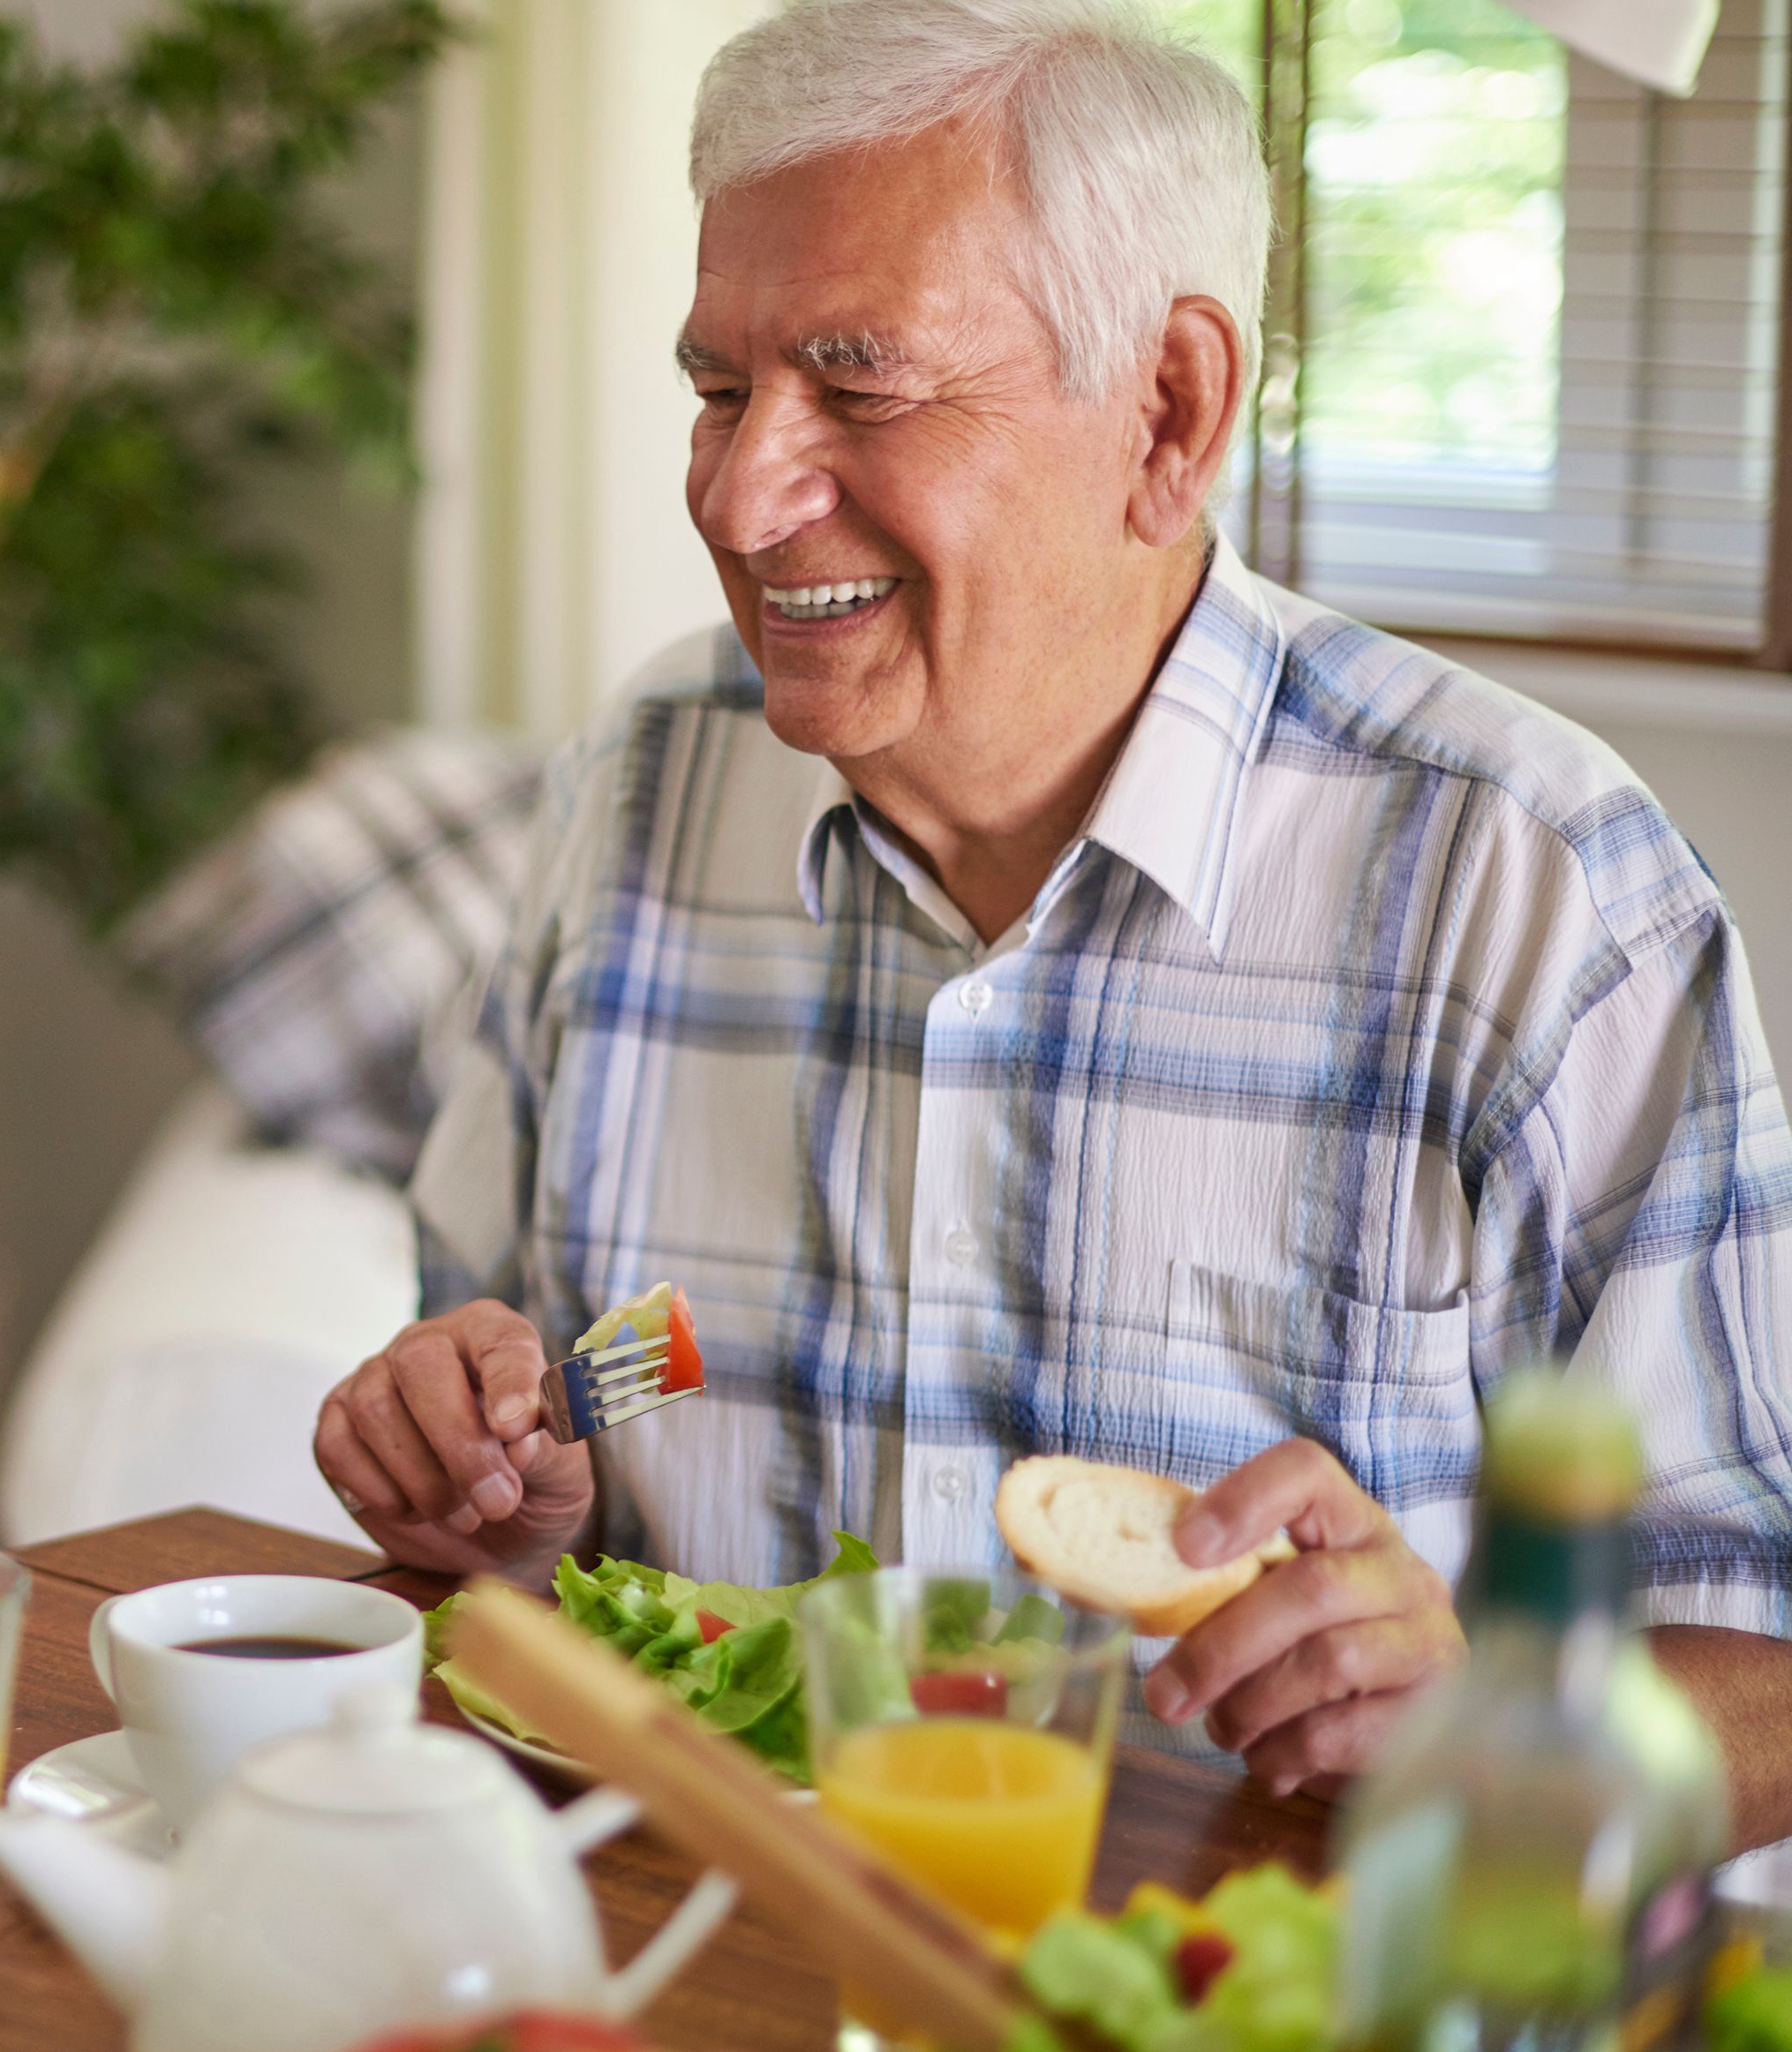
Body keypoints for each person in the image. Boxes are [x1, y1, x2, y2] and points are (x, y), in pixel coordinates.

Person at [317, 0, 1792, 1824]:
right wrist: (484, 1478)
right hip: (697, 1981)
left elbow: (1768, 1657)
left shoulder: (1530, 888)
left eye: (860, 389)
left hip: (1250, 2048)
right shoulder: (641, 784)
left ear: (1168, 410)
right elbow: (511, 1414)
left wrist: (1486, 1714)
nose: (737, 490)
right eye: (718, 388)